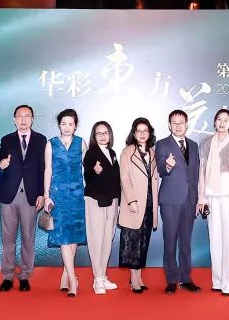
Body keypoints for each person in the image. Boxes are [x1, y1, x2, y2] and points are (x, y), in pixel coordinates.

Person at [0, 105, 46, 292]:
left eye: (27, 116)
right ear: (14, 119)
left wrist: (42, 193)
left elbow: (44, 168)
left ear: (32, 119)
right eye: (20, 116)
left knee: (28, 237)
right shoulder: (6, 139)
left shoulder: (41, 140)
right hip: (9, 195)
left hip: (31, 195)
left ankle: (25, 275)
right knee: (7, 238)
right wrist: (2, 163)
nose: (23, 119)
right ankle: (7, 275)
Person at [197, 109, 229, 296]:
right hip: (212, 196)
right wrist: (202, 197)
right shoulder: (205, 144)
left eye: (226, 120)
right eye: (219, 119)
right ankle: (217, 280)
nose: (222, 123)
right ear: (214, 122)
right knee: (215, 238)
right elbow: (202, 172)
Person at [154, 110, 201, 294]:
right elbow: (160, 168)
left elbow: (196, 174)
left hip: (190, 200)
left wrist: (197, 199)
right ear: (169, 125)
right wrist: (167, 165)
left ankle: (186, 278)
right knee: (170, 239)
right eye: (174, 122)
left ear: (187, 124)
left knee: (186, 241)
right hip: (170, 200)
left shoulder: (194, 145)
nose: (178, 126)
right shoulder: (162, 144)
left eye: (181, 122)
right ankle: (172, 279)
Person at [43, 109, 87, 297]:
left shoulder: (81, 143)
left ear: (75, 125)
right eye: (64, 124)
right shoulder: (51, 143)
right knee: (63, 236)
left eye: (71, 124)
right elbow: (48, 170)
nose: (67, 127)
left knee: (74, 235)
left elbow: (87, 170)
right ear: (59, 125)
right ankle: (73, 281)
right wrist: (46, 195)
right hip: (58, 195)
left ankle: (66, 274)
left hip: (77, 195)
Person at [118, 117, 160, 293]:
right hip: (134, 203)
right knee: (133, 241)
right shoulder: (127, 152)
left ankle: (139, 275)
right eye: (139, 131)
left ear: (149, 133)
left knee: (144, 240)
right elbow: (124, 178)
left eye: (145, 131)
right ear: (134, 134)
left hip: (150, 204)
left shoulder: (153, 152)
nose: (142, 134)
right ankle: (134, 278)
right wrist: (131, 201)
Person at [83, 121, 121, 294]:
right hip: (96, 200)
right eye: (98, 133)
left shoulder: (112, 153)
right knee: (96, 239)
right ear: (94, 136)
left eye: (105, 133)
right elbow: (87, 175)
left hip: (112, 201)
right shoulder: (90, 153)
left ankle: (102, 275)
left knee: (107, 238)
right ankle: (97, 279)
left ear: (110, 135)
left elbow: (116, 179)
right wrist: (95, 171)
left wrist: (119, 202)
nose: (102, 136)